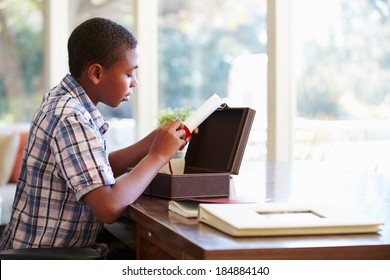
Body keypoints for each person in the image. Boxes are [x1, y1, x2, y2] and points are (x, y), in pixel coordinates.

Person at [0, 17, 192, 256]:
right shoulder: (71, 118)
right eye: (129, 74)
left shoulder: (63, 100)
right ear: (96, 73)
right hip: (47, 261)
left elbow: (95, 171)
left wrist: (153, 141)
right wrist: (158, 155)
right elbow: (109, 207)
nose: (135, 83)